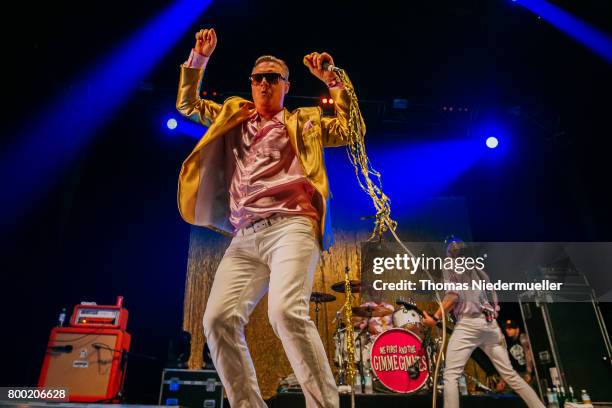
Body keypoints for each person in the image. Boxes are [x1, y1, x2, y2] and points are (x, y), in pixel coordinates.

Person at [176, 28, 365, 408]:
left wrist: (333, 78)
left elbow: (351, 129)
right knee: (217, 320)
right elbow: (188, 105)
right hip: (244, 236)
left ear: (285, 85)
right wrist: (199, 59)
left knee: (284, 312)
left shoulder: (303, 122)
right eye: (258, 77)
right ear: (251, 84)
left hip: (291, 225)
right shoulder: (234, 115)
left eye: (272, 78)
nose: (264, 83)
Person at [422, 238, 545, 408]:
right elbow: (492, 298)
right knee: (510, 375)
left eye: (449, 250)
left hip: (469, 324)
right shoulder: (478, 268)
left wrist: (435, 317)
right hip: (490, 324)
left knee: (451, 375)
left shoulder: (450, 264)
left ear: (451, 252)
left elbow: (453, 295)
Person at [496, 319, 536, 392]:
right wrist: (502, 380)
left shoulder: (523, 337)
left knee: (529, 392)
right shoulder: (508, 341)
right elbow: (505, 361)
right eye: (506, 328)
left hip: (528, 371)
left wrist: (528, 373)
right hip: (516, 373)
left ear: (517, 328)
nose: (507, 330)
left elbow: (528, 355)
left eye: (510, 328)